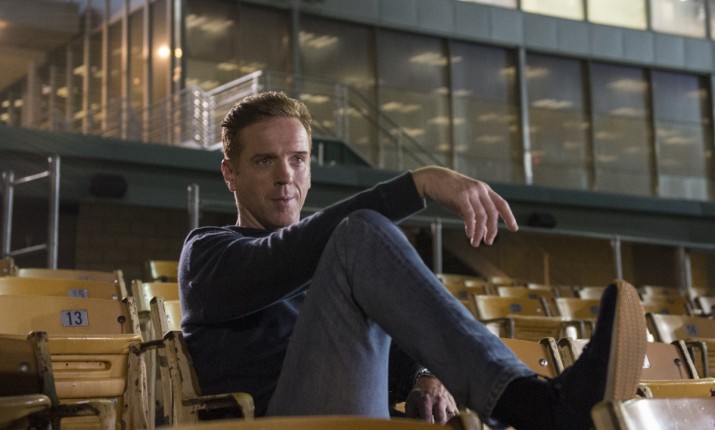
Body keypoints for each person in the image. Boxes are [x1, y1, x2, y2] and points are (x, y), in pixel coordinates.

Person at [178, 91, 647, 429]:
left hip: (367, 414)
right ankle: (534, 404)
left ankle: (539, 407)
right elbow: (282, 257)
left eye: (298, 159)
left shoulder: (335, 266)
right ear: (230, 173)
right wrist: (416, 185)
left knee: (358, 245)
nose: (286, 176)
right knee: (358, 235)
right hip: (282, 422)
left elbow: (392, 350)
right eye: (264, 161)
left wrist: (425, 376)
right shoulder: (206, 253)